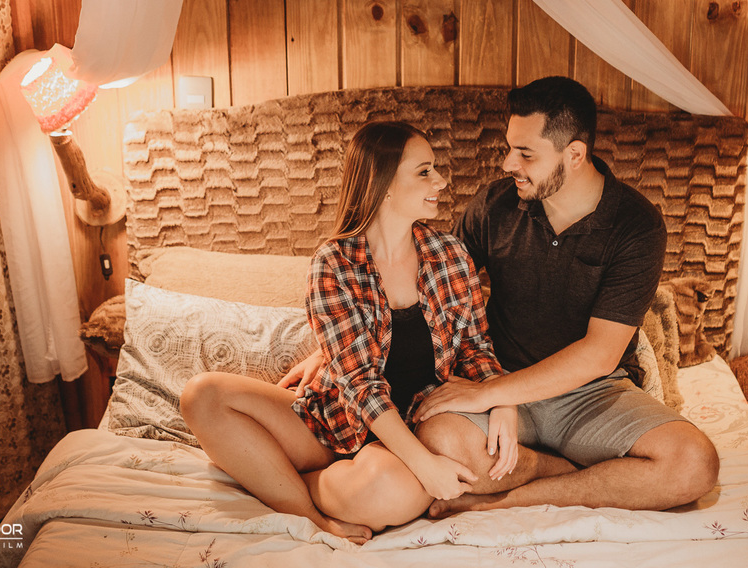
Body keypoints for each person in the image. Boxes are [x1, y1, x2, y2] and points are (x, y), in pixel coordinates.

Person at [287, 77, 720, 519]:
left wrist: (488, 394)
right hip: (496, 381)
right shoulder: (495, 205)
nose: (509, 162)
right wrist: (333, 350)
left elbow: (599, 355)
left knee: (694, 464)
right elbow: (425, 287)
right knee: (440, 440)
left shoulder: (636, 225)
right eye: (509, 147)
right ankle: (587, 473)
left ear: (574, 154)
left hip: (589, 394)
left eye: (526, 154)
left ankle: (510, 496)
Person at [181, 122, 518, 544]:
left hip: (405, 429)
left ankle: (276, 476)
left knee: (390, 495)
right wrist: (427, 467)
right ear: (384, 184)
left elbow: (475, 349)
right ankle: (306, 511)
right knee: (202, 394)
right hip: (333, 419)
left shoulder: (449, 255)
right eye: (425, 171)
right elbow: (360, 384)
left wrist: (503, 398)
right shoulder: (334, 264)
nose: (441, 181)